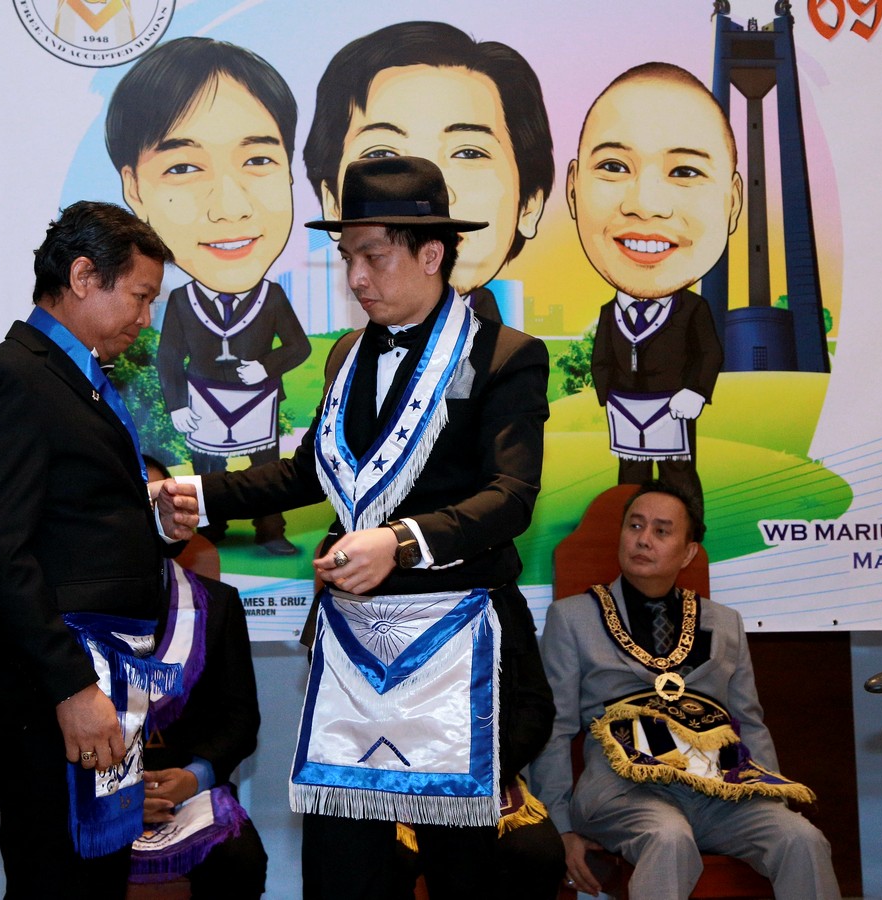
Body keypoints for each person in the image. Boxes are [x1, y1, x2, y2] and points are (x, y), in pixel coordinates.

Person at [166, 155, 558, 899]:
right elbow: (310, 472)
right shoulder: (347, 354)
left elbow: (511, 498)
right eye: (348, 256)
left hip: (456, 643)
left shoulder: (506, 356)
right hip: (354, 648)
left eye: (373, 256)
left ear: (432, 254)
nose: (356, 276)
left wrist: (400, 542)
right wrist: (199, 494)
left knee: (462, 871)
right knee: (339, 868)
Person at [0, 201, 199, 897]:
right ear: (84, 276)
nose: (145, 318)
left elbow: (73, 527)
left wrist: (155, 528)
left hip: (100, 686)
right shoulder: (11, 378)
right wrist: (71, 687)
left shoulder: (80, 381)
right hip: (51, 692)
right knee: (56, 882)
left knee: (97, 881)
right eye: (140, 297)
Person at [531, 481, 841, 900]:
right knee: (669, 837)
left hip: (720, 793)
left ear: (688, 552)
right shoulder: (572, 618)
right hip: (624, 793)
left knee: (801, 839)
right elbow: (554, 729)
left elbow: (749, 722)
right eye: (635, 526)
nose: (643, 539)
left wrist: (769, 798)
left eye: (661, 531)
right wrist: (560, 827)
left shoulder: (724, 622)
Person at [107, 36, 311, 555]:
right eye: (182, 167)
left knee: (266, 465)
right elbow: (169, 356)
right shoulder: (178, 300)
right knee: (206, 466)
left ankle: (271, 531)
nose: (229, 207)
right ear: (133, 187)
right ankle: (211, 528)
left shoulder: (272, 298)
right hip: (203, 396)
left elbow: (299, 347)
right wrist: (178, 407)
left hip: (258, 396)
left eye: (259, 159)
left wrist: (265, 368)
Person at [304, 20, 554, 316]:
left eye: (468, 153)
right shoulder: (350, 346)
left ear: (529, 204)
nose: (427, 188)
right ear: (334, 204)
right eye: (382, 154)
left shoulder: (512, 346)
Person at [573, 63, 737, 512]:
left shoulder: (692, 311)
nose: (646, 206)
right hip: (627, 407)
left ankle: (691, 532)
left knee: (679, 475)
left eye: (684, 171)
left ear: (734, 202)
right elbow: (602, 358)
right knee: (630, 477)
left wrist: (695, 393)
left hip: (674, 407)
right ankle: (623, 530)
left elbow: (708, 354)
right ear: (572, 190)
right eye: (613, 166)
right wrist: (606, 396)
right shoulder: (610, 312)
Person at [130, 456, 267, 897]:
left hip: (189, 788)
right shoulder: (66, 611)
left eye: (159, 504)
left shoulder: (217, 603)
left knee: (240, 859)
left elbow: (240, 720)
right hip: (91, 794)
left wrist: (193, 777)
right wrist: (117, 797)